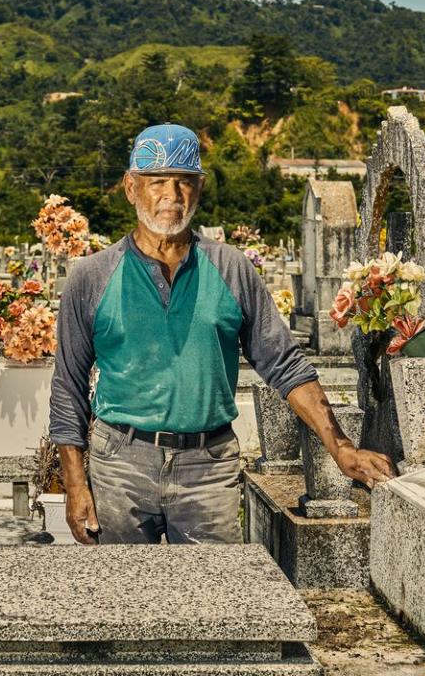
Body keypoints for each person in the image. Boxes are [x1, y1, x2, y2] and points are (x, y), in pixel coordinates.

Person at [49, 123, 395, 544]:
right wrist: (74, 483)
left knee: (213, 596)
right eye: (157, 182)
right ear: (130, 188)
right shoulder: (92, 276)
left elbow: (284, 365)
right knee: (125, 598)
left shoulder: (231, 269)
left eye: (185, 183)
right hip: (120, 462)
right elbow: (68, 385)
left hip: (207, 467)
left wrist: (340, 446)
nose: (171, 197)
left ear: (200, 188)